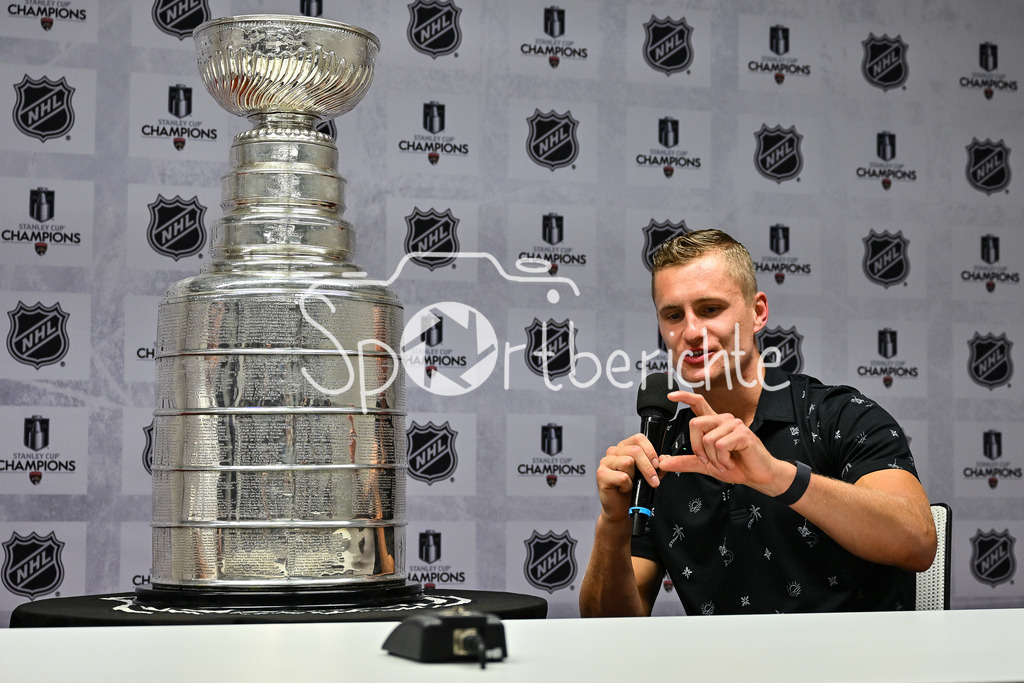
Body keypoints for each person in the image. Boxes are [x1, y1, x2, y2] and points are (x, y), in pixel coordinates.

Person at [579, 229, 937, 616]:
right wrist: (612, 523)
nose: (692, 331)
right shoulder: (664, 451)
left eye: (711, 309)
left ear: (758, 312)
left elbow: (917, 541)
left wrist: (776, 476)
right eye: (673, 315)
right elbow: (607, 624)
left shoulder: (840, 414)